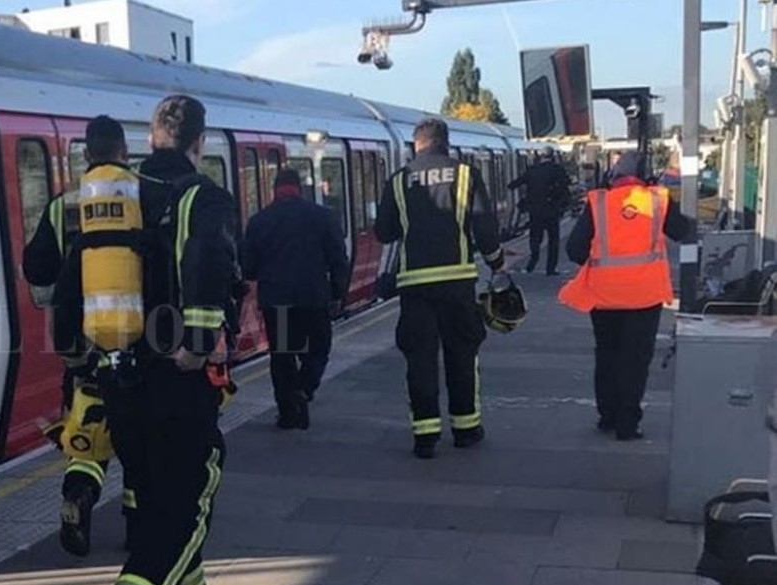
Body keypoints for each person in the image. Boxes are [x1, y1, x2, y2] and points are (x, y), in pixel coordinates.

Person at [52, 95, 237, 585]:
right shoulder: (200, 196)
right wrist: (200, 345)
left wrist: (78, 357)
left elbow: (66, 281)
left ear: (150, 138)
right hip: (176, 376)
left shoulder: (106, 198)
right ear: (198, 143)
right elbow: (209, 263)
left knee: (157, 497)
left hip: (118, 376)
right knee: (190, 496)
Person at [22, 115, 137, 558]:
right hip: (136, 340)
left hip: (82, 348)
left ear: (85, 156)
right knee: (137, 444)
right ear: (125, 153)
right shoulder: (141, 196)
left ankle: (79, 496)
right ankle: (136, 526)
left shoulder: (63, 205)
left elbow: (37, 269)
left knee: (87, 434)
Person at [376, 117, 505, 460]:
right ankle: (466, 429)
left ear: (416, 145)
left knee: (420, 359)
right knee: (462, 353)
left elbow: (384, 232)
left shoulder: (399, 181)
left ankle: (425, 436)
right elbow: (485, 227)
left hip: (414, 285)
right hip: (458, 282)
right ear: (445, 143)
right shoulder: (465, 175)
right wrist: (497, 263)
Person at [559, 151, 692, 441]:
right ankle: (628, 425)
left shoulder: (598, 202)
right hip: (645, 296)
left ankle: (607, 416)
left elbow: (575, 249)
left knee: (607, 354)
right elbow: (683, 231)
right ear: (647, 176)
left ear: (613, 176)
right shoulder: (658, 200)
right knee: (635, 360)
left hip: (604, 295)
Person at [242, 167, 349, 429]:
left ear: (274, 190)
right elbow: (338, 259)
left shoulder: (259, 221)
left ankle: (288, 414)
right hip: (313, 297)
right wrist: (338, 293)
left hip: (276, 300)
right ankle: (304, 387)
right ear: (299, 188)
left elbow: (248, 267)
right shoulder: (322, 216)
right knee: (319, 349)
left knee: (282, 356)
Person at [509, 151, 571, 275]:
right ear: (552, 157)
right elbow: (565, 187)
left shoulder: (533, 170)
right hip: (552, 210)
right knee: (553, 240)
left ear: (541, 158)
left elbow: (515, 184)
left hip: (535, 211)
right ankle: (550, 269)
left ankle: (531, 264)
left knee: (535, 238)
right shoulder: (558, 170)